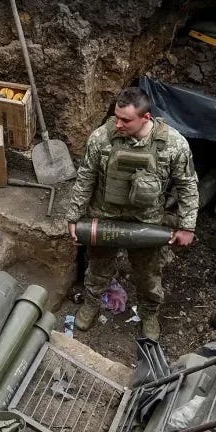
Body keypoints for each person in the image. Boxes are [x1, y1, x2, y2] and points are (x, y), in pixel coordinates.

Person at [62, 87, 199, 339]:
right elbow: (85, 178)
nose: (118, 124)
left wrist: (187, 226)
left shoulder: (173, 144)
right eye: (116, 117)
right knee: (99, 266)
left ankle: (149, 312)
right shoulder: (101, 138)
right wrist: (74, 217)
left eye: (126, 120)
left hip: (147, 220)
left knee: (148, 274)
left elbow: (188, 184)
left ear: (145, 118)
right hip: (106, 215)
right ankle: (92, 303)